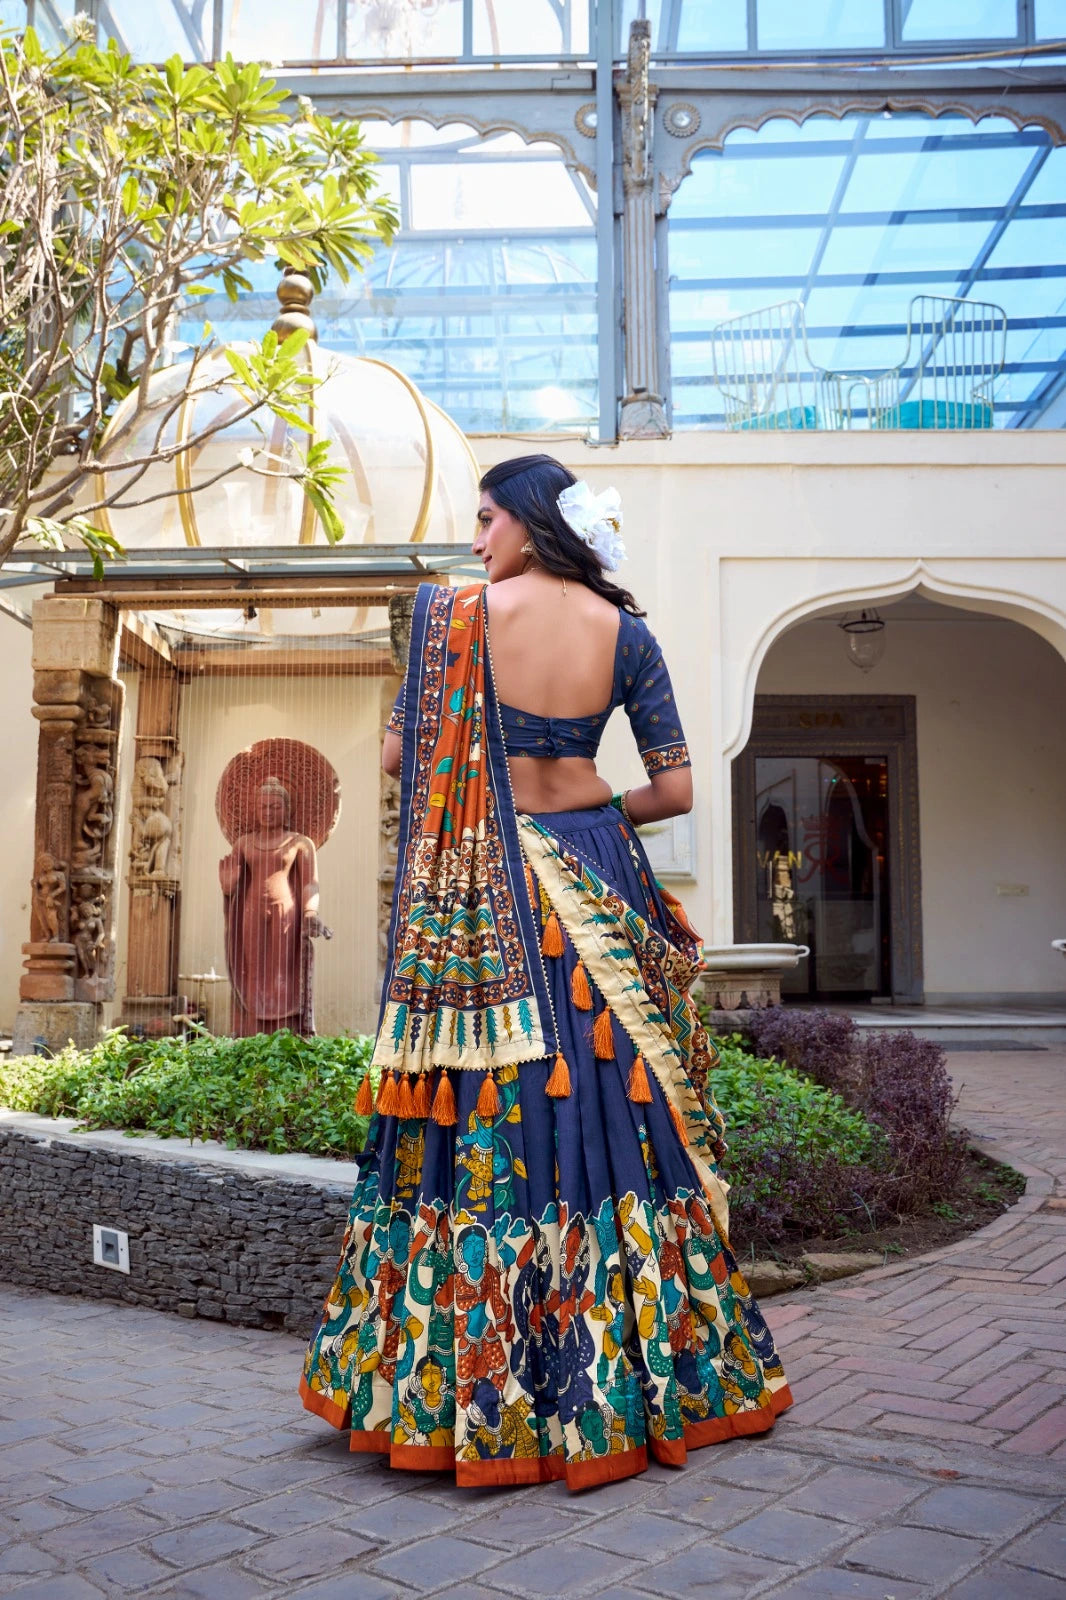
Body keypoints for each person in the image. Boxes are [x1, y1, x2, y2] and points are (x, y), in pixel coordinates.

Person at [300, 454, 792, 1489]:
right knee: (619, 1117)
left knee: (475, 1103)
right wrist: (593, 814)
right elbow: (675, 789)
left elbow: (398, 760)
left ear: (528, 518)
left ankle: (464, 1388)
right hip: (594, 872)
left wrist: (465, 756)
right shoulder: (629, 628)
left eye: (485, 518)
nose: (475, 538)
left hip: (484, 881)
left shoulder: (451, 619)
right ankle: (642, 1380)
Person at [219, 777, 329, 1036]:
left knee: (284, 972)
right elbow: (233, 881)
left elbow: (310, 884)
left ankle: (287, 1030)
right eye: (263, 807)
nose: (268, 812)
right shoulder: (244, 843)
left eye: (275, 807)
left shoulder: (300, 843)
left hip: (286, 912)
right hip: (251, 911)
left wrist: (310, 912)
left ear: (287, 810)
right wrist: (228, 889)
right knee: (253, 970)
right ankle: (251, 1030)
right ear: (255, 810)